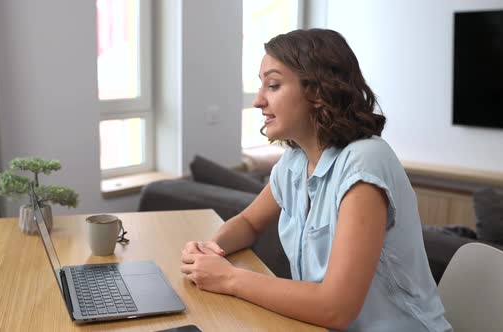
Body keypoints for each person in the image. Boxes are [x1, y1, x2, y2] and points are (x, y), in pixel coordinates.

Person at [180, 29, 452, 332]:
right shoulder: (294, 163)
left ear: (319, 92)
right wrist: (211, 249)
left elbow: (335, 308)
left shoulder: (366, 162)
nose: (258, 101)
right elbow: (249, 223)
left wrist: (228, 278)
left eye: (273, 85)